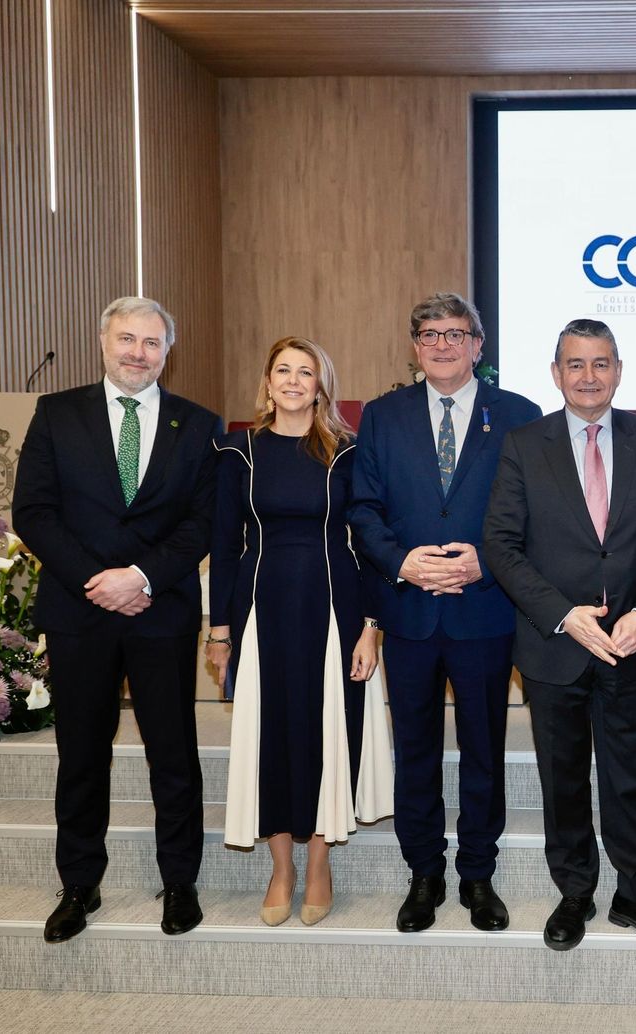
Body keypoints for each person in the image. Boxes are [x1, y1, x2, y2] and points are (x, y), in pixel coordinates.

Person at [12, 296, 224, 943]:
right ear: (103, 343)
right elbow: (34, 511)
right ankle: (79, 883)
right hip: (80, 613)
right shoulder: (56, 414)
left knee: (174, 752)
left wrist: (142, 578)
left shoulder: (200, 423)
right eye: (127, 339)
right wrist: (95, 581)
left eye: (152, 342)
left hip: (161, 612)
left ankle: (179, 881)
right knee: (80, 751)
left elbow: (203, 521)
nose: (138, 352)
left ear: (168, 350)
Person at [482, 318, 636, 951]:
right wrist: (563, 613)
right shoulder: (524, 443)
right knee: (563, 776)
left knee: (629, 775)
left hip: (628, 640)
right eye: (576, 364)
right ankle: (575, 893)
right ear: (556, 374)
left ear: (618, 370)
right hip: (554, 644)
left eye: (601, 363)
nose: (589, 376)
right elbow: (501, 543)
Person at [348, 292, 541, 934]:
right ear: (415, 345)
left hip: (485, 611)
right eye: (430, 334)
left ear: (478, 347)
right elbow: (363, 510)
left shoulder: (519, 415)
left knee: (483, 748)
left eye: (456, 334)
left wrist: (485, 561)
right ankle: (424, 872)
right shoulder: (382, 416)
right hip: (408, 612)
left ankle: (478, 874)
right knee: (417, 752)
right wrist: (403, 563)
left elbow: (536, 513)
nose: (443, 344)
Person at [207, 336, 394, 927]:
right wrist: (218, 632)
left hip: (335, 610)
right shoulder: (238, 452)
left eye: (305, 372)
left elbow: (368, 542)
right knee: (272, 735)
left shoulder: (349, 451)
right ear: (267, 383)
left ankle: (319, 863)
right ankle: (280, 867)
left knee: (323, 734)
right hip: (261, 612)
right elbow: (223, 546)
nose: (293, 381)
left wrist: (373, 627)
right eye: (282, 371)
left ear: (321, 385)